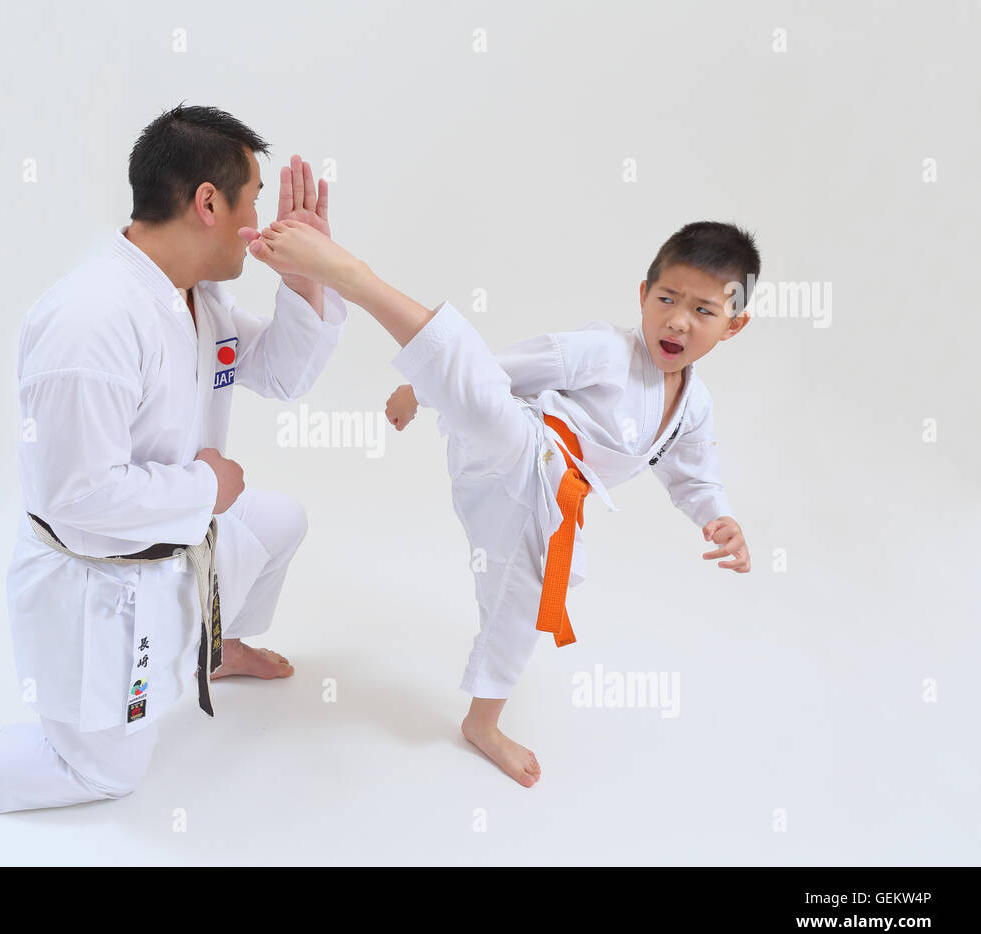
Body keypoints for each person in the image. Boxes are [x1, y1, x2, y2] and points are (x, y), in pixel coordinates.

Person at [0, 104, 347, 815]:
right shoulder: (90, 322)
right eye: (253, 201)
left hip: (173, 535)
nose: (260, 223)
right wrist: (207, 484)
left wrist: (307, 278)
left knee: (281, 521)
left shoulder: (197, 296)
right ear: (208, 204)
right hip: (97, 582)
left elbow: (282, 374)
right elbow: (78, 499)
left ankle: (214, 648)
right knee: (103, 774)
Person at [238, 217, 755, 786]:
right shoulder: (604, 350)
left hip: (546, 506)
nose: (678, 320)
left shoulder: (694, 406)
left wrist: (719, 518)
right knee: (487, 408)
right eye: (667, 299)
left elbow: (693, 475)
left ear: (733, 325)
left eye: (703, 310)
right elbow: (496, 371)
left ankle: (482, 724)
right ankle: (356, 279)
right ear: (643, 294)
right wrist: (419, 390)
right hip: (521, 441)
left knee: (520, 608)